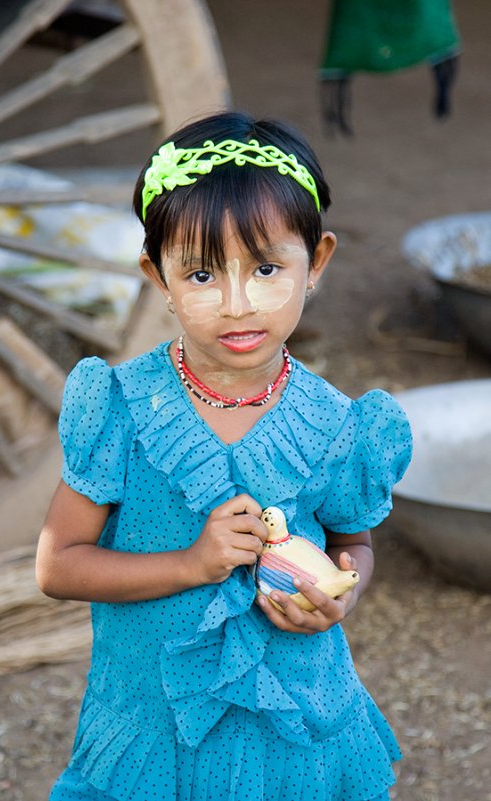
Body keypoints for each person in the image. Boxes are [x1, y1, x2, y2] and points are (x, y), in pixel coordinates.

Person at [36, 110, 412, 801]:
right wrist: (190, 563)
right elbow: (57, 565)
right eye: (202, 274)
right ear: (158, 275)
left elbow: (354, 543)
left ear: (317, 261)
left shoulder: (334, 425)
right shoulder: (121, 407)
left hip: (294, 730)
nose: (238, 304)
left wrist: (341, 590)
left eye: (267, 267)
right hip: (156, 730)